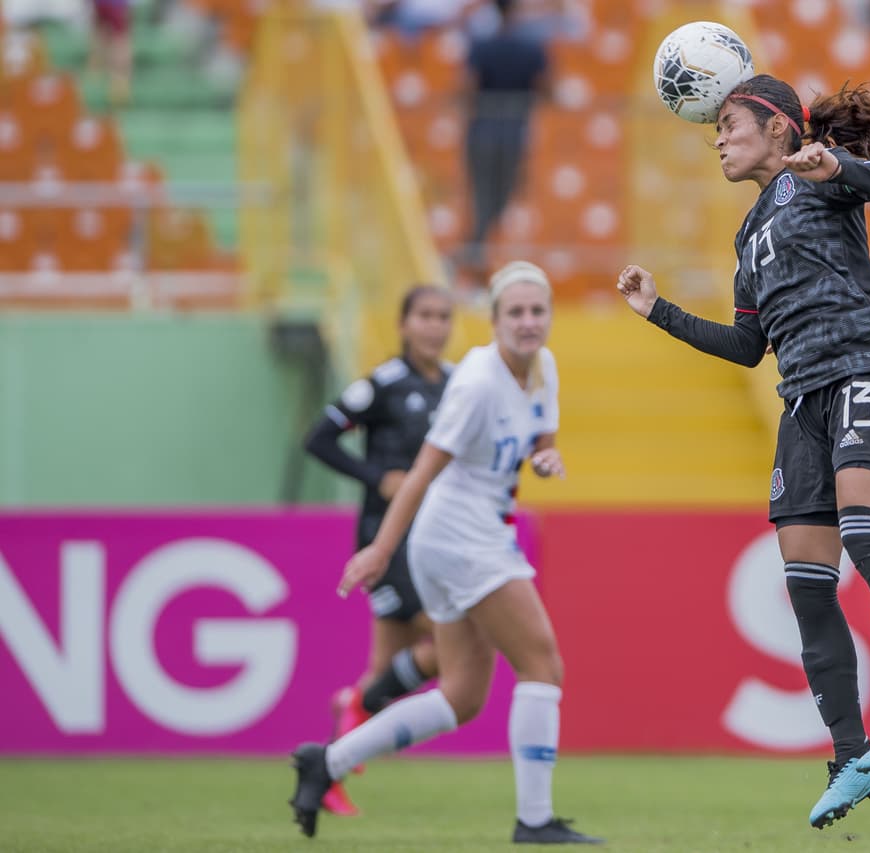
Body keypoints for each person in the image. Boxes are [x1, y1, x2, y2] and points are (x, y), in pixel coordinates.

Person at [615, 74, 870, 830]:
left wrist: (829, 165)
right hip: (802, 405)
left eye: (729, 123)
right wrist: (657, 311)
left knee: (868, 535)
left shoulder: (823, 173)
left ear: (776, 126)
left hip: (863, 373)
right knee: (805, 584)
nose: (718, 138)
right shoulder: (748, 235)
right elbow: (746, 346)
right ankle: (848, 756)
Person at [289, 261, 603, 846]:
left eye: (538, 311)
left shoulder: (543, 368)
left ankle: (325, 762)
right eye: (516, 312)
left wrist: (545, 459)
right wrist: (381, 550)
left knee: (461, 697)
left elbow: (540, 441)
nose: (529, 322)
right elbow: (421, 474)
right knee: (544, 666)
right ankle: (534, 821)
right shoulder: (477, 382)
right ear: (493, 320)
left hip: (466, 533)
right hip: (460, 534)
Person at [301, 284, 454, 816]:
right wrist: (376, 477)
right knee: (445, 647)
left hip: (437, 537)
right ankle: (355, 710)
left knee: (384, 667)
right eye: (425, 316)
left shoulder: (458, 384)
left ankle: (329, 769)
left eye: (443, 317)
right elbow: (318, 438)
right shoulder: (382, 386)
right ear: (404, 324)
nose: (435, 326)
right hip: (386, 542)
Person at [457, 0, 550, 288]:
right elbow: (546, 88)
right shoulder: (532, 48)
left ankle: (474, 260)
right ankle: (474, 263)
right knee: (500, 199)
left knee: (484, 200)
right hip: (514, 132)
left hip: (482, 131)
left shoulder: (482, 44)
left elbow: (467, 88)